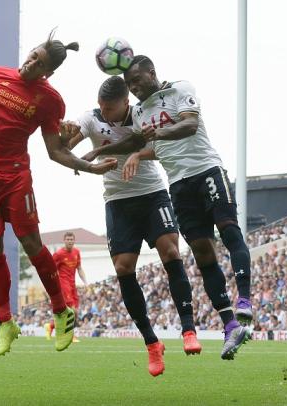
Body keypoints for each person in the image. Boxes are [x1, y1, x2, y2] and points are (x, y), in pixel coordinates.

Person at [0, 30, 117, 358]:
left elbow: (56, 151)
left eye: (39, 63)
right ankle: (6, 323)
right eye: (32, 55)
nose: (30, 63)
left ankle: (61, 311)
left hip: (15, 177)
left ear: (49, 72)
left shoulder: (50, 100)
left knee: (31, 244)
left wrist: (92, 167)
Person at [62, 76, 201, 376]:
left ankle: (188, 329)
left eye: (110, 108)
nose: (105, 113)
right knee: (124, 268)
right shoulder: (91, 118)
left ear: (126, 102)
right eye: (102, 107)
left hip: (152, 194)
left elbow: (139, 141)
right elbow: (67, 146)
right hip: (118, 201)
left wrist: (99, 152)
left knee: (171, 252)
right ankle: (152, 343)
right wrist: (65, 135)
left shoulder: (141, 114)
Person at [120, 55, 251, 359]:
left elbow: (189, 125)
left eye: (137, 80)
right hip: (178, 184)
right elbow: (153, 145)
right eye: (129, 84)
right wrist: (135, 154)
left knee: (229, 231)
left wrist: (160, 133)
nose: (134, 87)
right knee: (202, 252)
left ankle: (245, 301)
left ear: (151, 73)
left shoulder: (180, 89)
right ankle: (231, 325)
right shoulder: (139, 112)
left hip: (206, 170)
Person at [44, 232, 87, 343]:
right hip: (64, 285)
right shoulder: (58, 254)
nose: (70, 241)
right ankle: (69, 335)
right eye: (68, 239)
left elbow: (79, 268)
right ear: (64, 240)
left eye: (72, 239)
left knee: (75, 311)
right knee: (71, 311)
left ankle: (51, 326)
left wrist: (86, 282)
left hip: (73, 285)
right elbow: (50, 269)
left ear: (74, 240)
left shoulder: (77, 252)